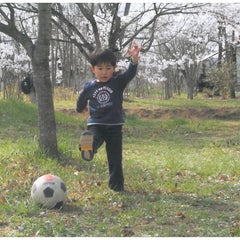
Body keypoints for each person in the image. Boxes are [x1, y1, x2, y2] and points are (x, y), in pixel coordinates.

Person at [76, 42, 141, 192]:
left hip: (115, 126)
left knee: (115, 159)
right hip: (96, 124)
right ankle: (88, 146)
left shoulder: (118, 82)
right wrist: (80, 108)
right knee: (94, 138)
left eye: (108, 68)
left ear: (114, 68)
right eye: (100, 69)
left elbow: (130, 73)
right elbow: (81, 99)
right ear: (93, 69)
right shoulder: (89, 87)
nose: (104, 72)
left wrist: (134, 60)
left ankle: (117, 186)